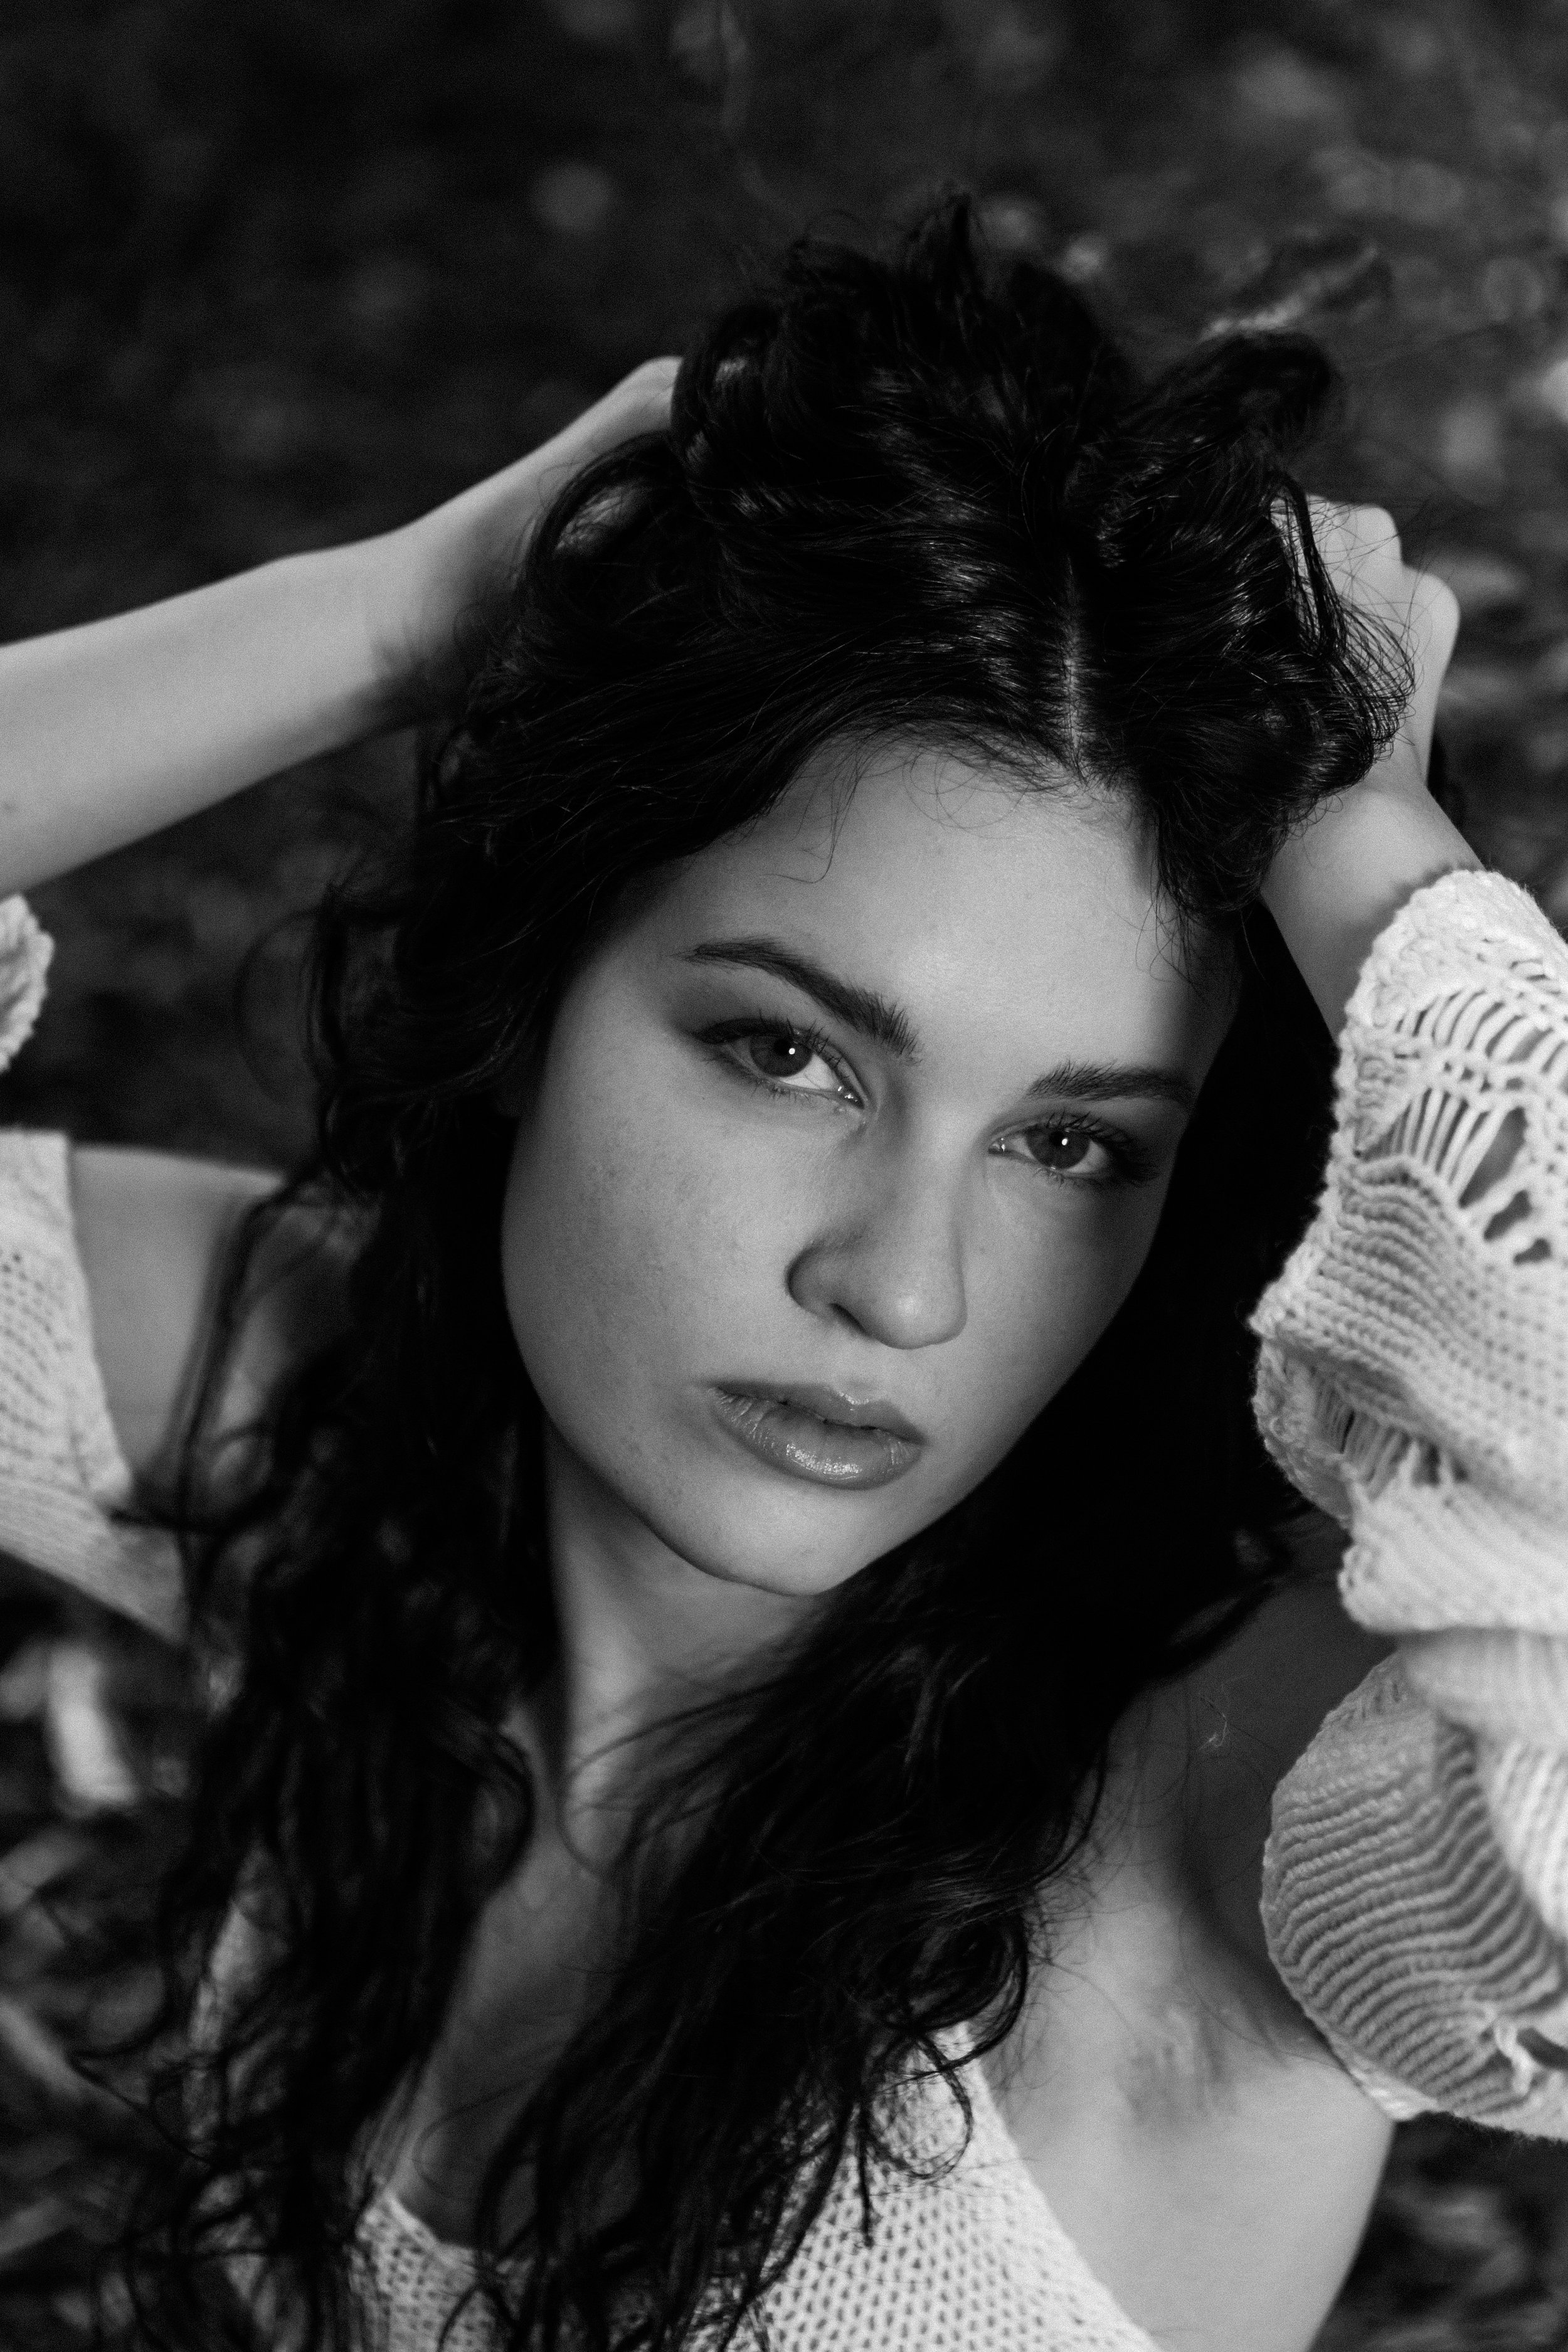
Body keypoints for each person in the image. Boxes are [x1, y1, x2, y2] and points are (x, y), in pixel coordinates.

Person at [0, 195, 1560, 2352]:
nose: (902, 1289)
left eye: (1070, 1141)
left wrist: (1368, 860)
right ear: (533, 996)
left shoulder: (1191, 1850)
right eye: (787, 1051)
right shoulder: (319, 1419)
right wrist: (398, 619)